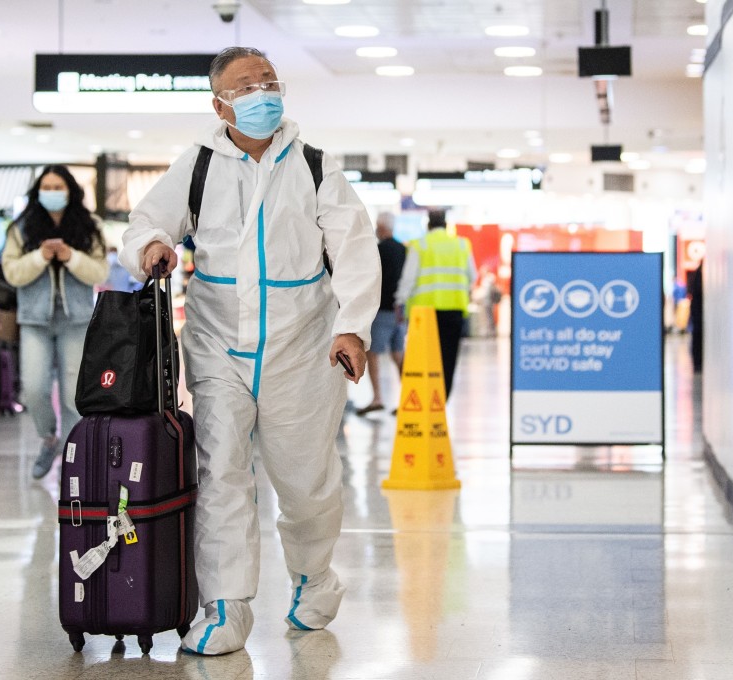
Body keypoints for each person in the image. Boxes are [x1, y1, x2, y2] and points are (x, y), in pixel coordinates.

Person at [119, 46, 380, 656]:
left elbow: (355, 248)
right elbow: (144, 222)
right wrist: (155, 245)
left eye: (269, 81)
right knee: (222, 476)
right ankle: (227, 606)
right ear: (220, 103)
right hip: (216, 346)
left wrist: (353, 327)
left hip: (304, 347)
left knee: (305, 481)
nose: (263, 92)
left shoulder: (314, 165)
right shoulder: (200, 164)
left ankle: (314, 578)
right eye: (246, 85)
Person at [1, 165, 108, 479]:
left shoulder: (90, 226)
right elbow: (12, 273)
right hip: (34, 321)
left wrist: (70, 256)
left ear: (70, 190)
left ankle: (75, 457)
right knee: (33, 388)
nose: (52, 193)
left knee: (74, 394)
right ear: (37, 192)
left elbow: (99, 272)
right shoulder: (21, 228)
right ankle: (49, 438)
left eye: (57, 187)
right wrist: (41, 257)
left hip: (75, 319)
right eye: (45, 187)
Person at [396, 208, 476, 399]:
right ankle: (441, 400)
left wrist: (399, 302)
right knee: (449, 358)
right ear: (446, 225)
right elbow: (472, 277)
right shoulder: (461, 245)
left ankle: (423, 399)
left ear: (428, 225)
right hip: (454, 310)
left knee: (422, 358)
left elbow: (408, 279)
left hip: (424, 313)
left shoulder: (420, 245)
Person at [356, 212, 407, 416]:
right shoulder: (404, 250)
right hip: (400, 311)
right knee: (398, 354)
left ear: (382, 228)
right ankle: (408, 397)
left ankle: (377, 398)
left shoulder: (378, 251)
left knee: (372, 353)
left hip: (382, 310)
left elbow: (372, 279)